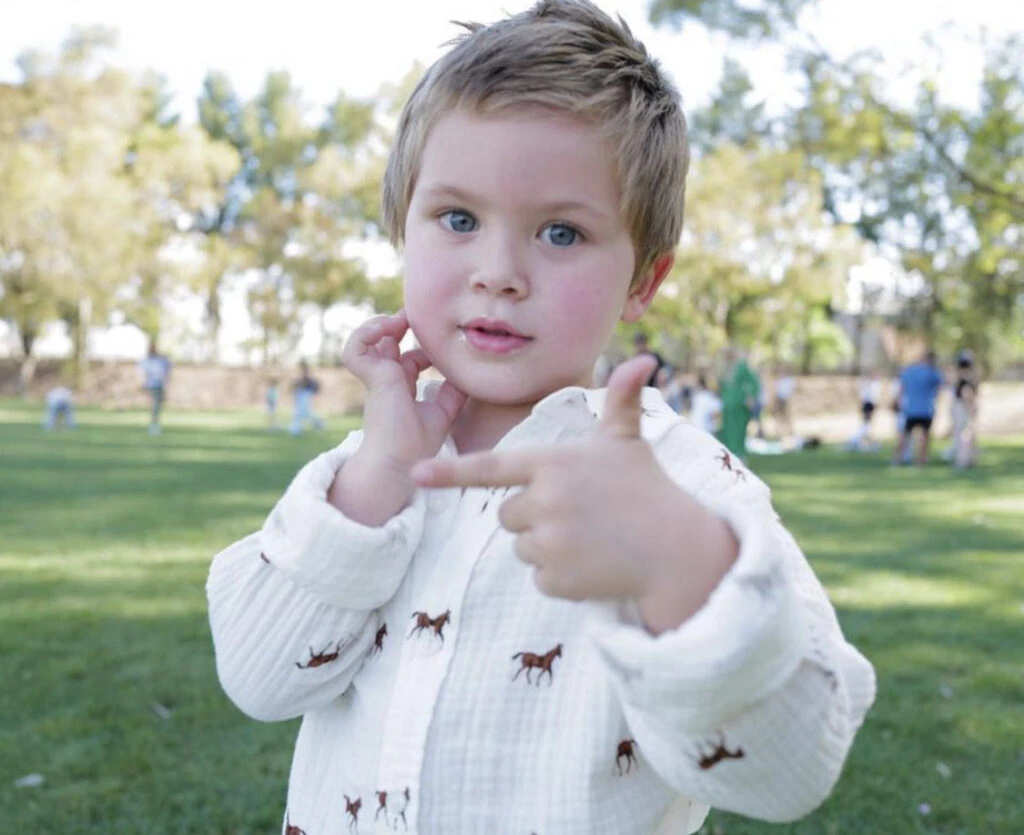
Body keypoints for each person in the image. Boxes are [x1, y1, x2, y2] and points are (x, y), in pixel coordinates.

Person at [206, 5, 875, 834]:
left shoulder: (681, 487)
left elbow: (791, 770)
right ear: (402, 227)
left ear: (643, 281)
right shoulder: (364, 470)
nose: (499, 271)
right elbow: (260, 679)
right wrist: (374, 484)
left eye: (561, 232)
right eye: (458, 219)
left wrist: (685, 569)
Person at [892, 350, 943, 467]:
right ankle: (921, 460)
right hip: (926, 409)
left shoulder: (908, 372)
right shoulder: (931, 372)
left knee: (905, 435)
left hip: (910, 409)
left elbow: (901, 389)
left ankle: (897, 459)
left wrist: (898, 402)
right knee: (924, 436)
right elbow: (940, 387)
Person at [717, 346, 761, 460]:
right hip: (728, 406)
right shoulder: (725, 368)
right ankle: (728, 454)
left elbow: (753, 382)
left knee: (738, 431)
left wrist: (750, 397)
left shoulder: (742, 366)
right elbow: (723, 387)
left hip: (739, 405)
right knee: (727, 431)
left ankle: (739, 455)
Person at [948, 350, 979, 469]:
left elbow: (967, 394)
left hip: (963, 407)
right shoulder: (967, 378)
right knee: (965, 434)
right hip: (963, 407)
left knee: (964, 435)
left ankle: (964, 460)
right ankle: (966, 458)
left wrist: (971, 408)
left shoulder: (965, 379)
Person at [140, 343, 171, 435]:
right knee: (155, 404)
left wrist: (166, 384)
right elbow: (144, 373)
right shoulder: (147, 361)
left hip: (159, 385)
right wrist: (144, 384)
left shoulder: (160, 361)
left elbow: (165, 373)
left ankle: (155, 423)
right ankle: (154, 425)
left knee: (157, 404)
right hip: (152, 385)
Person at [289, 360, 325, 436]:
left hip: (305, 395)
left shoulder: (308, 378)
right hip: (301, 395)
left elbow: (312, 387)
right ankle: (296, 430)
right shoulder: (301, 377)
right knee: (301, 414)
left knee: (303, 414)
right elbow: (296, 387)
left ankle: (296, 430)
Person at [771, 371, 795, 439]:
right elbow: (776, 391)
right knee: (778, 416)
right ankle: (779, 431)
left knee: (786, 416)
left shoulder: (789, 381)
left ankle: (790, 431)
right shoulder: (779, 380)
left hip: (785, 400)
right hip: (779, 400)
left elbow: (790, 391)